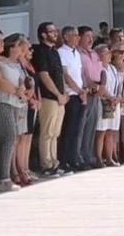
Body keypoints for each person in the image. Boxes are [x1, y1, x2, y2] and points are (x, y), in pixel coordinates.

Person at [0, 31, 30, 192]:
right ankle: (4, 178)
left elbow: (19, 75)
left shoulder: (4, 60)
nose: (2, 43)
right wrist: (17, 91)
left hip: (13, 102)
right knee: (7, 137)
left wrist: (22, 87)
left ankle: (6, 175)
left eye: (3, 40)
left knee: (12, 138)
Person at [32, 23, 68, 177]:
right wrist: (57, 94)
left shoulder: (55, 52)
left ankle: (54, 162)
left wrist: (64, 93)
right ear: (43, 34)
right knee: (47, 132)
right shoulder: (40, 51)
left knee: (55, 133)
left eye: (55, 30)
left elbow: (59, 75)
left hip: (59, 98)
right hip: (48, 97)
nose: (55, 34)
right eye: (51, 31)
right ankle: (46, 164)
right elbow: (44, 75)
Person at [58, 26, 85, 174]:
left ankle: (73, 158)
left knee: (76, 130)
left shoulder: (77, 53)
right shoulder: (61, 52)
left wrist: (83, 90)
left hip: (79, 94)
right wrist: (78, 90)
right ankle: (64, 160)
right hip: (71, 94)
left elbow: (79, 73)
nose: (77, 37)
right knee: (68, 129)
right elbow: (66, 76)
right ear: (66, 36)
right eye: (74, 35)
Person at [76, 26, 102, 170]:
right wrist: (91, 85)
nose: (90, 39)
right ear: (79, 37)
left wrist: (101, 85)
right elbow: (82, 74)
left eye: (91, 36)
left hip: (96, 93)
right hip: (85, 92)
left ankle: (88, 154)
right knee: (82, 126)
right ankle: (79, 156)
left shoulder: (94, 54)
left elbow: (101, 71)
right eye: (87, 36)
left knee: (92, 126)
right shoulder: (78, 54)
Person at [16, 43, 38, 185]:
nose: (31, 50)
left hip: (33, 101)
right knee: (21, 137)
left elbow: (36, 84)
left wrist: (37, 99)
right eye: (28, 48)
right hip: (24, 102)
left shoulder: (28, 65)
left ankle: (26, 167)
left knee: (28, 136)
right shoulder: (18, 64)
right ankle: (20, 168)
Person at [94, 45, 120, 167]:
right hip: (103, 101)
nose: (109, 55)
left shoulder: (113, 68)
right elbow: (101, 87)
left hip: (113, 102)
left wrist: (116, 97)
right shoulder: (99, 69)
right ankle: (98, 157)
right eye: (106, 53)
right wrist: (110, 97)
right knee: (101, 131)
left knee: (111, 130)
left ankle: (109, 158)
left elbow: (117, 85)